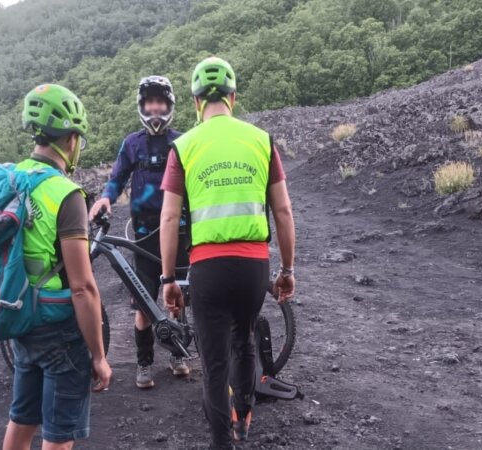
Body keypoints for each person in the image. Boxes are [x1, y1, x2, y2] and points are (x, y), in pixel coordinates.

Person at [0, 84, 112, 450]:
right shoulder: (66, 194)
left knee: (22, 421)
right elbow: (83, 287)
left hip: (18, 316)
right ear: (71, 140)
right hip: (58, 327)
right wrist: (99, 356)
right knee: (58, 436)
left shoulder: (10, 177)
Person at [159, 57, 296, 449]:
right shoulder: (260, 139)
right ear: (233, 98)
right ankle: (246, 415)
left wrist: (169, 280)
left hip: (207, 268)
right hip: (253, 266)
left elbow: (169, 219)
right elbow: (283, 211)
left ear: (196, 102)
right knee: (244, 341)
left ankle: (223, 443)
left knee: (214, 365)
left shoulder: (182, 146)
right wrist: (286, 269)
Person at [89, 76, 191, 389]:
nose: (155, 107)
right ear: (142, 106)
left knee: (178, 299)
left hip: (180, 231)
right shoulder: (132, 144)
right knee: (143, 305)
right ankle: (144, 362)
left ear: (169, 105)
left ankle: (178, 355)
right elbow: (117, 178)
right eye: (150, 102)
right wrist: (106, 196)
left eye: (160, 102)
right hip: (144, 233)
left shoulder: (182, 141)